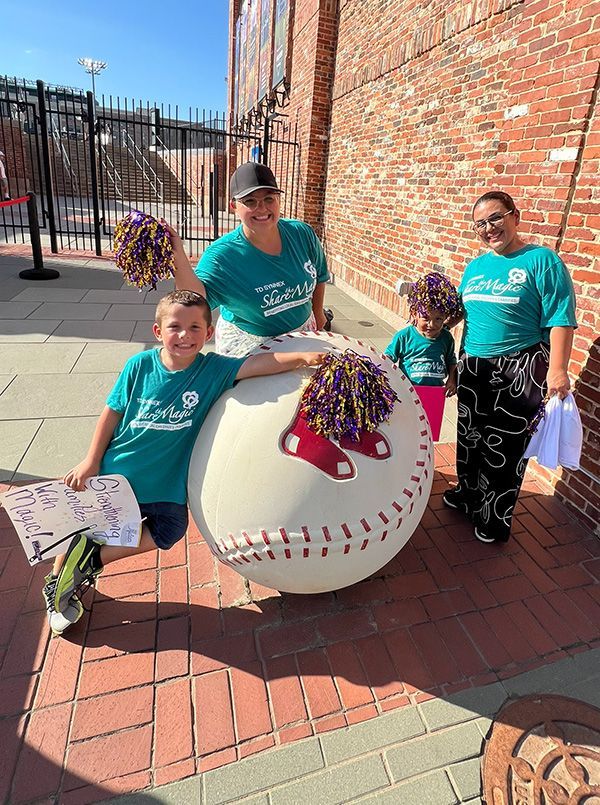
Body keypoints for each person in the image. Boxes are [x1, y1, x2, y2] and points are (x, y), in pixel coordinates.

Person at [43, 289, 325, 634]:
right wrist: (91, 460)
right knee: (82, 525)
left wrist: (305, 357)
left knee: (170, 530)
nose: (184, 335)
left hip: (166, 483)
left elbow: (259, 365)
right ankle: (57, 585)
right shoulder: (139, 366)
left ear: (209, 333)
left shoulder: (214, 369)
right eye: (175, 327)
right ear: (158, 331)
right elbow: (111, 412)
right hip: (120, 472)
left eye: (195, 328)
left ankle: (92, 558)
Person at [443, 191, 577, 544]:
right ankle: (468, 494)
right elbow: (466, 317)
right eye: (480, 224)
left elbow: (560, 318)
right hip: (474, 366)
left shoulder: (542, 261)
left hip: (520, 368)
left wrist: (558, 369)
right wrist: (453, 357)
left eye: (495, 218)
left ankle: (494, 518)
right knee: (470, 439)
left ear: (514, 216)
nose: (489, 228)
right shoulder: (475, 267)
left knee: (505, 448)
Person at [170, 161, 331, 357]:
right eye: (250, 201)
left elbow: (320, 275)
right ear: (233, 206)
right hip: (250, 343)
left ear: (278, 200)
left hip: (301, 333)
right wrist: (178, 258)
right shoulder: (221, 256)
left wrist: (318, 314)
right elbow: (195, 302)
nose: (261, 208)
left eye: (269, 198)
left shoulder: (301, 234)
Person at [385, 272, 459, 397]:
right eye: (425, 318)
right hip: (408, 392)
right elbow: (388, 358)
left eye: (438, 319)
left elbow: (451, 361)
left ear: (446, 317)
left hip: (434, 394)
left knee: (431, 412)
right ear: (414, 313)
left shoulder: (446, 338)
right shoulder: (404, 337)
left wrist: (452, 379)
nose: (431, 324)